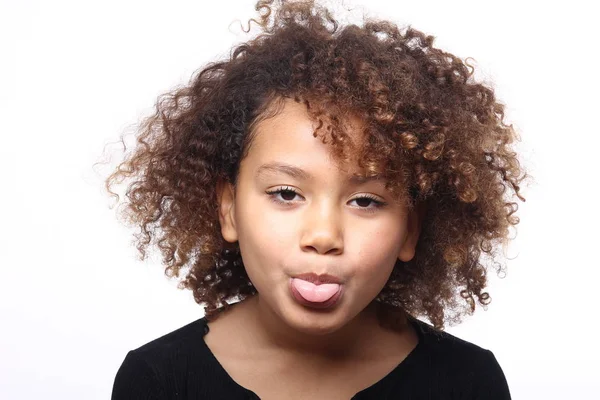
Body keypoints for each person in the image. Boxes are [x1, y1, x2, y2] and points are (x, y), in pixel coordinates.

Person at [107, 0, 526, 398]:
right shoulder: (158, 381)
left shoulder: (466, 382)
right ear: (228, 208)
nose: (323, 235)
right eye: (286, 193)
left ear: (409, 230)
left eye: (365, 201)